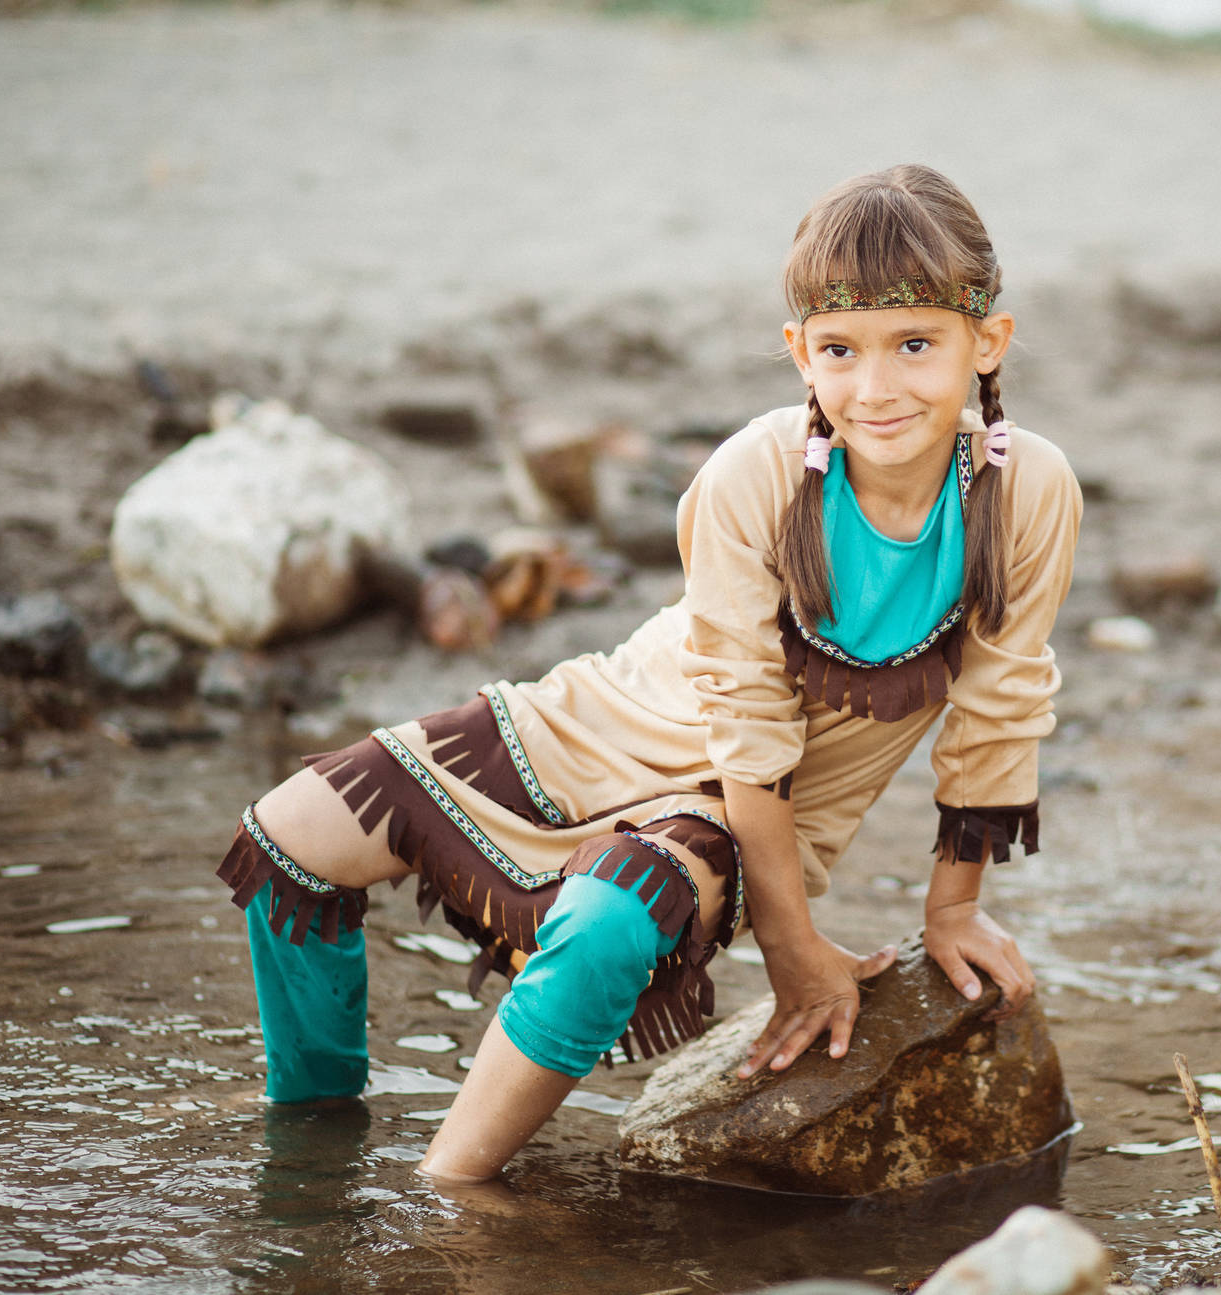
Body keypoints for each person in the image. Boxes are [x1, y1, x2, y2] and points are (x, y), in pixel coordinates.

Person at [214, 163, 1082, 1185]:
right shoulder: (752, 474)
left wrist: (941, 913)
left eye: (916, 344)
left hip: (735, 800)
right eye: (841, 349)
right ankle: (314, 1139)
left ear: (988, 342)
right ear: (802, 353)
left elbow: (998, 707)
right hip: (604, 722)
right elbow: (739, 697)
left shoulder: (1025, 492)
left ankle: (450, 1193)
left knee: (606, 923)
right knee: (284, 840)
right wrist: (796, 951)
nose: (876, 386)